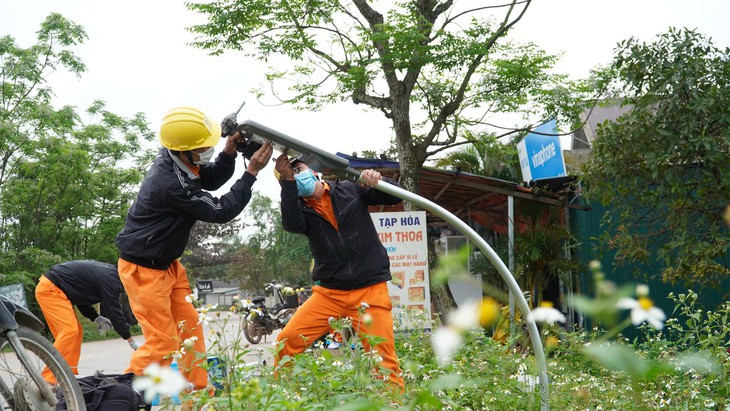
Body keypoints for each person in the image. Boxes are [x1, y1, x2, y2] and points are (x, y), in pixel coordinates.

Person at [114, 106, 272, 391]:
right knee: (163, 343)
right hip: (143, 271)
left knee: (190, 336)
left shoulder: (178, 158)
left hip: (170, 267)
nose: (207, 150)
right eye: (203, 147)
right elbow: (220, 210)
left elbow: (208, 178)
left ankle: (198, 399)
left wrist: (228, 153)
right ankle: (118, 397)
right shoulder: (171, 183)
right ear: (184, 150)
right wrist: (250, 173)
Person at [273, 154, 405, 387]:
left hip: (369, 290)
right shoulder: (301, 212)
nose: (295, 174)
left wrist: (379, 179)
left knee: (383, 361)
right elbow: (291, 224)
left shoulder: (350, 189)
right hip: (330, 294)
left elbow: (394, 195)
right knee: (287, 341)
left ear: (314, 171)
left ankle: (393, 404)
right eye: (290, 175)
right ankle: (284, 397)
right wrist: (288, 183)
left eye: (298, 169)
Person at [35, 260, 139, 384]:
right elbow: (115, 312)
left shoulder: (109, 273)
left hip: (54, 290)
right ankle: (48, 379)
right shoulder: (110, 280)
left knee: (75, 333)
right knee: (70, 332)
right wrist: (131, 341)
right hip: (51, 290)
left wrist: (95, 317)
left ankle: (68, 375)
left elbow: (80, 297)